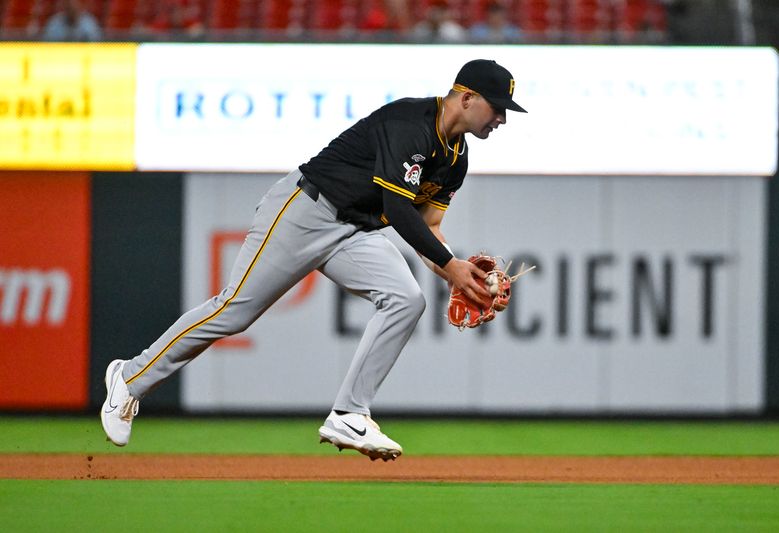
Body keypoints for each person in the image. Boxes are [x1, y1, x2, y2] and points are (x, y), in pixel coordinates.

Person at [100, 59, 527, 461]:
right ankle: (129, 378)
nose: (502, 119)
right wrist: (450, 267)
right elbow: (397, 210)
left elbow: (427, 226)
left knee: (406, 298)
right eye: (498, 107)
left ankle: (349, 415)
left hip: (355, 231)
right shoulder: (409, 122)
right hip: (306, 210)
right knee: (234, 311)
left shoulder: (457, 158)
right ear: (467, 97)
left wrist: (455, 272)